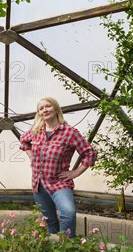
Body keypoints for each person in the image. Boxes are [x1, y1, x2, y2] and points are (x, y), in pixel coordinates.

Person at [19, 97, 97, 238]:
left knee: (68, 213)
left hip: (59, 183)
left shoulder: (69, 132)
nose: (45, 110)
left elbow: (89, 153)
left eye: (48, 106)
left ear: (55, 108)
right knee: (50, 221)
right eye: (41, 108)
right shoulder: (37, 130)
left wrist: (76, 172)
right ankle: (55, 251)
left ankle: (66, 246)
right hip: (38, 184)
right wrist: (31, 157)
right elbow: (24, 141)